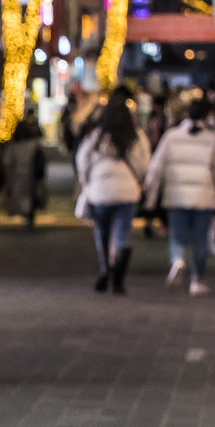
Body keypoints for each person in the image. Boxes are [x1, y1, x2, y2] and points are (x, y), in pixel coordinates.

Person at [144, 98, 215, 295]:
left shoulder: (171, 136)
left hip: (176, 196)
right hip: (204, 197)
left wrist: (150, 198)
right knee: (201, 239)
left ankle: (178, 260)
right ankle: (197, 280)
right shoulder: (214, 139)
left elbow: (156, 168)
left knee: (177, 235)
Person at [75, 99, 151, 294]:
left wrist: (87, 180)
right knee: (123, 234)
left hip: (100, 192)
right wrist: (139, 181)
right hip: (128, 192)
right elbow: (144, 164)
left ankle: (105, 270)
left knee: (102, 231)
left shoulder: (96, 136)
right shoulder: (136, 137)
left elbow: (82, 160)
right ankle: (118, 278)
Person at [0, 114, 47, 226]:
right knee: (31, 196)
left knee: (22, 197)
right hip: (31, 176)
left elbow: (7, 162)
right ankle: (29, 215)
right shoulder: (34, 145)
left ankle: (26, 216)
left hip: (18, 176)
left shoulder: (13, 147)